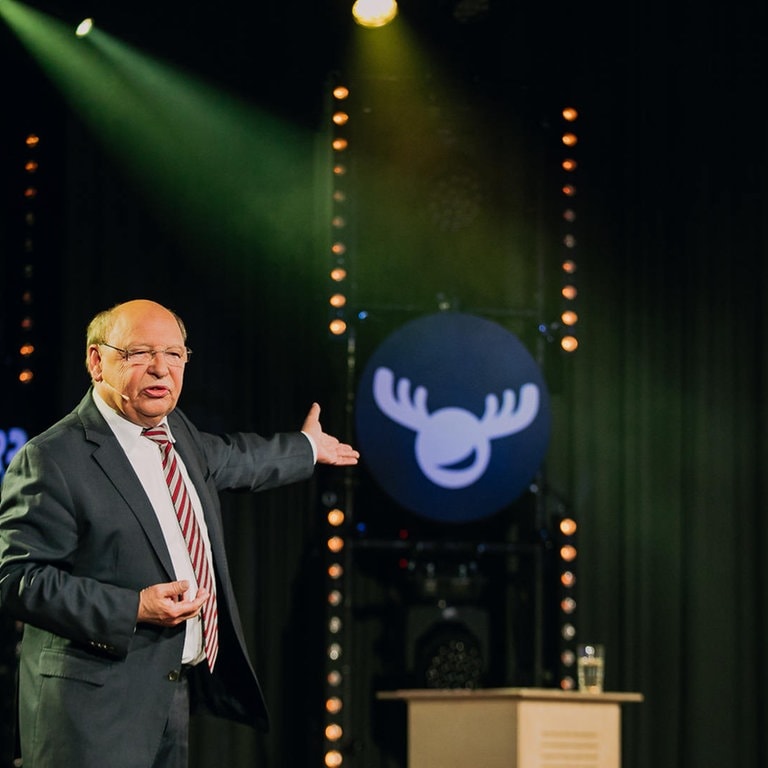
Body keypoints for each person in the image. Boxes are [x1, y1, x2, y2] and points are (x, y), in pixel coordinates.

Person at [0, 299, 359, 768]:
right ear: (97, 361)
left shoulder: (177, 434)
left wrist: (308, 447)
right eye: (139, 354)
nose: (160, 370)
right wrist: (134, 608)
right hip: (91, 715)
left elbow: (234, 459)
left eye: (174, 355)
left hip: (170, 698)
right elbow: (17, 579)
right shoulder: (52, 457)